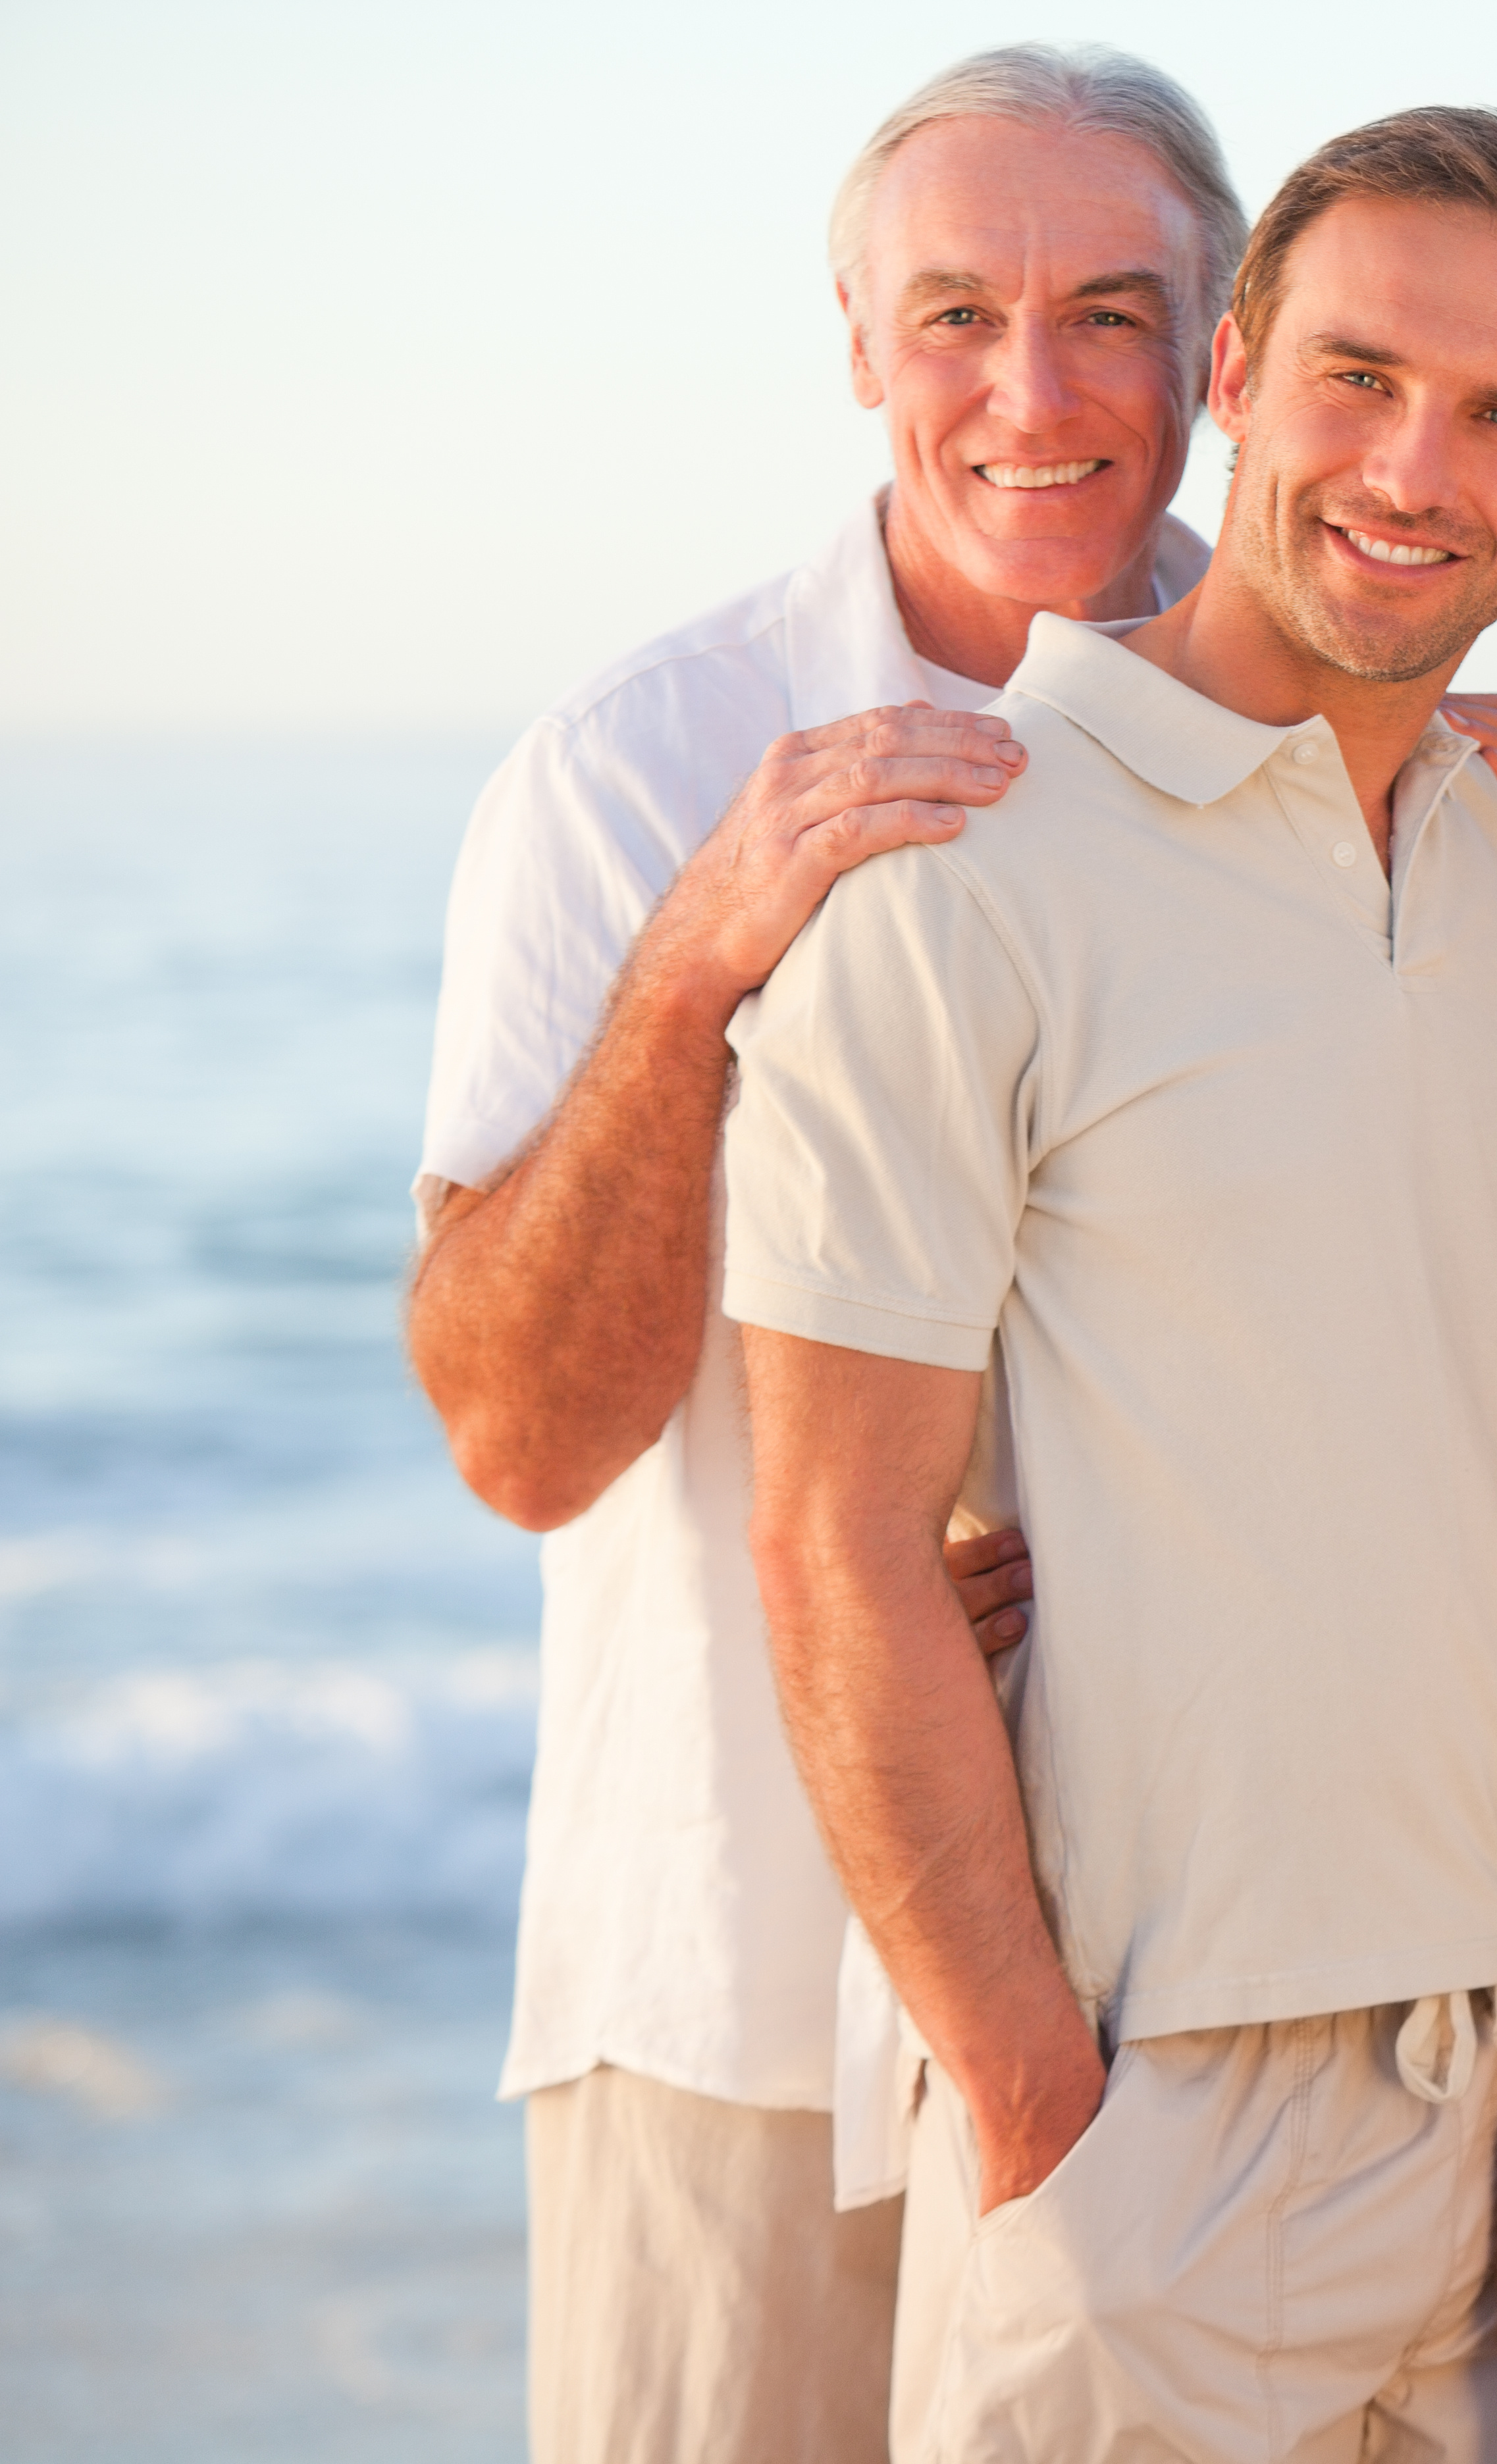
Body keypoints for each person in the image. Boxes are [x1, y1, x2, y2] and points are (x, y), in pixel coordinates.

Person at [723, 108, 1497, 2461]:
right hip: (1165, 2112)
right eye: (1355, 374)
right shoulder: (965, 872)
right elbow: (832, 1542)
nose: (1412, 464)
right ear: (1236, 364)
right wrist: (1046, 2114)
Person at [402, 46, 1247, 2464]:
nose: (1033, 388)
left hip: (1202, 1994)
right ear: (857, 343)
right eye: (958, 313)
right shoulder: (639, 765)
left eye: (1113, 311)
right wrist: (693, 973)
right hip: (744, 1995)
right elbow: (519, 1438)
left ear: (1217, 349)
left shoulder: (1333, 748)